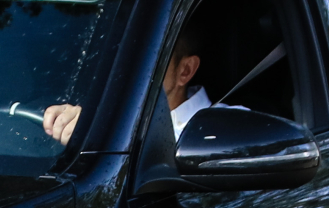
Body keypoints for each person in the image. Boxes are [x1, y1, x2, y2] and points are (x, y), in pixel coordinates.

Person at [40, 19, 208, 146]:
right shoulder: (103, 117)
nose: (126, 69)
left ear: (185, 71)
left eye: (147, 58)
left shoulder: (227, 130)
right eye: (121, 55)